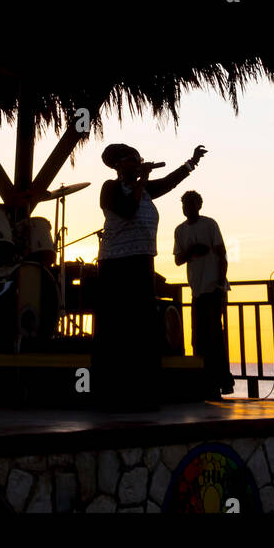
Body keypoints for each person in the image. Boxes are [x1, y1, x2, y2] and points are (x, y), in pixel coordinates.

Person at [93, 142, 207, 410]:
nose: (138, 162)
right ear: (119, 165)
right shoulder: (111, 188)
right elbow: (127, 210)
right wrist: (143, 179)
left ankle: (141, 393)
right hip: (116, 266)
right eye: (133, 159)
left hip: (142, 262)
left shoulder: (143, 190)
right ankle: (110, 393)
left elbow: (169, 182)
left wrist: (191, 162)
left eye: (139, 158)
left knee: (141, 326)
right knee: (116, 329)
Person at [174, 191, 234, 398]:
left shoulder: (210, 225)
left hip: (212, 289)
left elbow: (221, 253)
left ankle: (219, 383)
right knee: (198, 338)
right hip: (197, 290)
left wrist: (219, 282)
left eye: (190, 204)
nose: (187, 208)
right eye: (184, 204)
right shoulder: (180, 230)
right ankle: (204, 382)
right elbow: (178, 259)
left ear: (198, 205)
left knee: (214, 337)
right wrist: (191, 251)